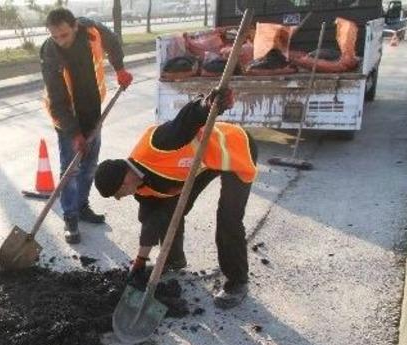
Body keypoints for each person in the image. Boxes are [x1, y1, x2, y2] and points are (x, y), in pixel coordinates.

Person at [93, 89, 258, 308]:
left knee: (228, 218)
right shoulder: (140, 186)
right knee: (168, 211)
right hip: (200, 166)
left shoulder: (158, 144)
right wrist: (140, 262)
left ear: (124, 181)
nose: (121, 198)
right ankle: (172, 260)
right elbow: (151, 220)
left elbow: (185, 121)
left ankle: (237, 282)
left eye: (118, 194)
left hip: (233, 150)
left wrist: (208, 105)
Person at [41, 7, 134, 244]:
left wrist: (120, 68)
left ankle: (82, 206)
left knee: (89, 165)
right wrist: (74, 134)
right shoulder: (50, 53)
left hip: (92, 111)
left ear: (75, 26)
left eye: (64, 34)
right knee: (70, 169)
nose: (60, 40)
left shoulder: (92, 30)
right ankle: (70, 217)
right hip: (67, 118)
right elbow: (58, 100)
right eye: (55, 36)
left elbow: (112, 42)